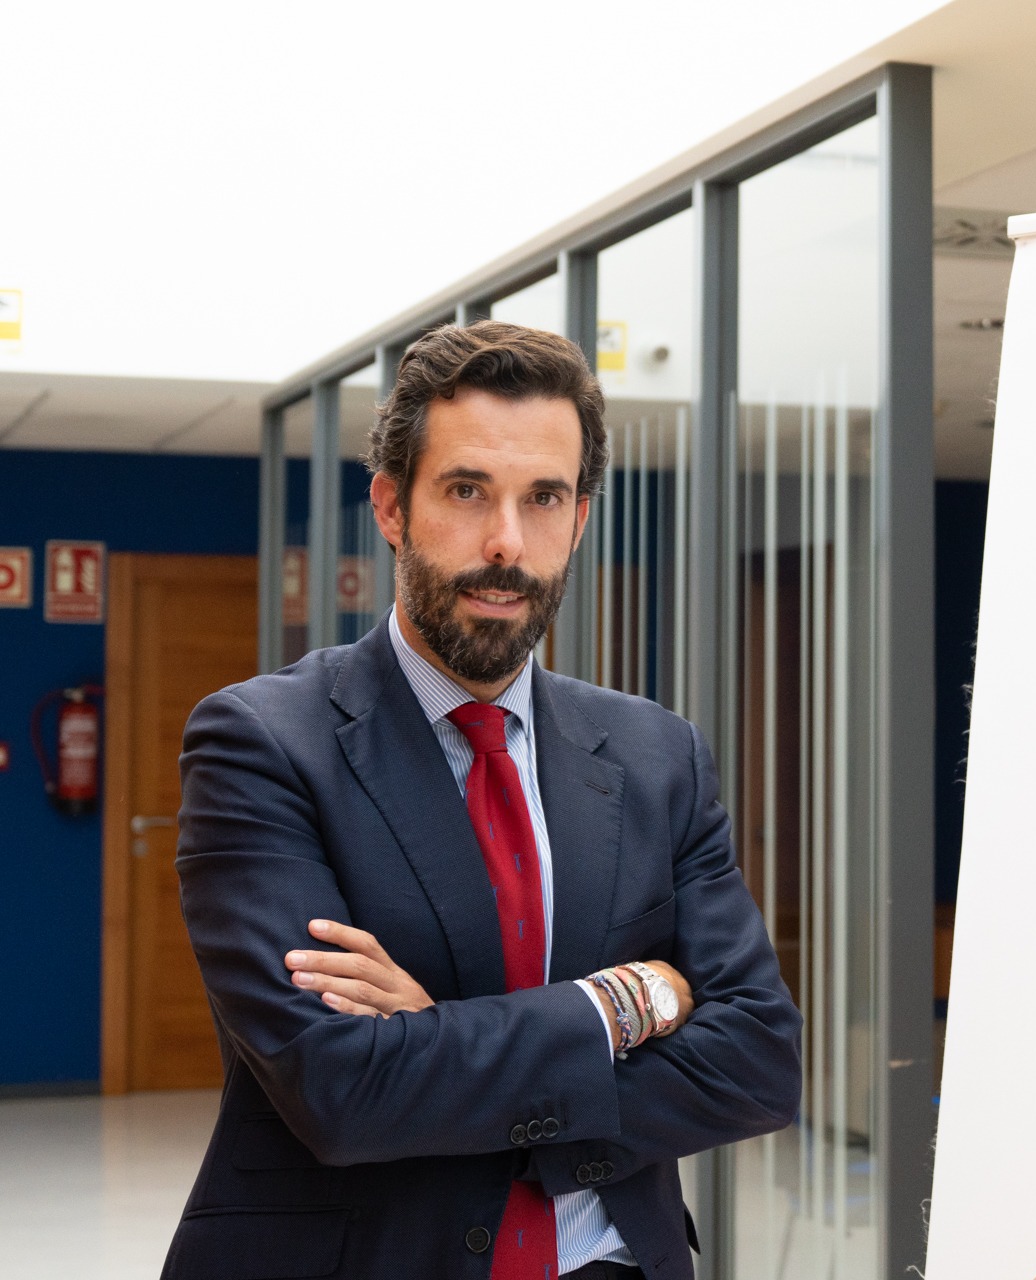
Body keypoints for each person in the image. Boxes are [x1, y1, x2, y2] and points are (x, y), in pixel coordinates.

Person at [162, 321, 801, 1280]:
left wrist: (437, 1043)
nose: (507, 543)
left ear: (580, 519)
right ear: (390, 505)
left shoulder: (657, 755)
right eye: (467, 492)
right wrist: (628, 1000)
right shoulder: (263, 744)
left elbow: (757, 1061)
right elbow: (340, 1088)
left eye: (543, 498)